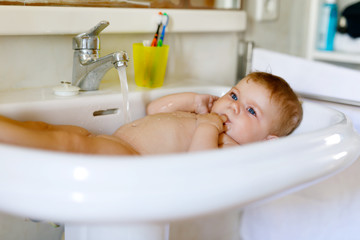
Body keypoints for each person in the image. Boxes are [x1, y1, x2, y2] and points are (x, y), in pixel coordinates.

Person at [0, 72, 303, 155]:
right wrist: (195, 101)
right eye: (234, 95)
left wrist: (210, 124)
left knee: (70, 144)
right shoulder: (207, 118)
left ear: (267, 140)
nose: (234, 105)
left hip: (129, 158)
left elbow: (199, 161)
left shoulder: (228, 145)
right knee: (52, 130)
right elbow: (155, 109)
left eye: (250, 110)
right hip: (113, 141)